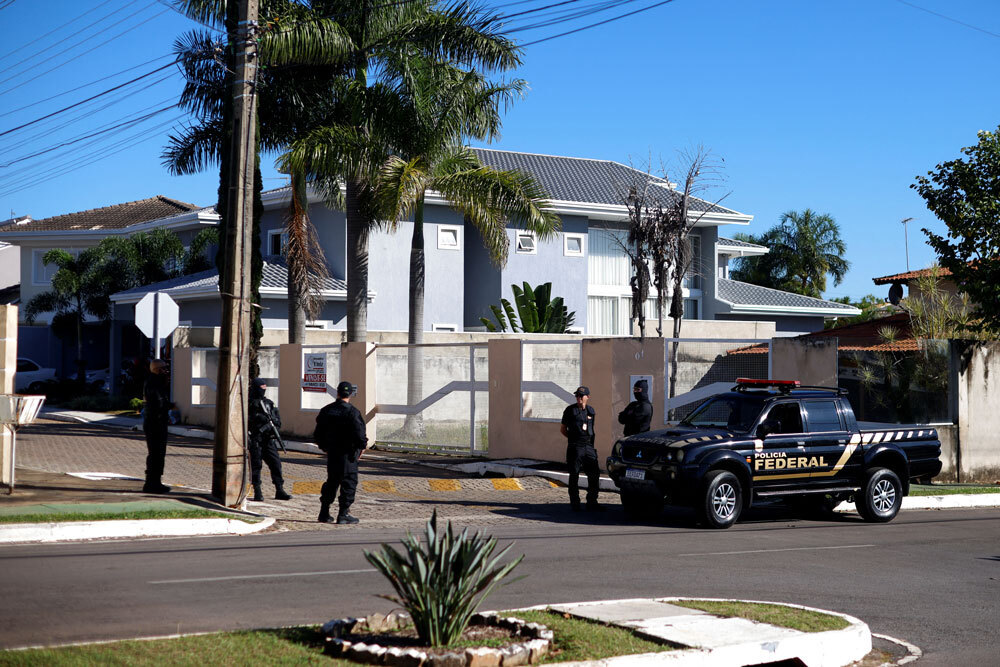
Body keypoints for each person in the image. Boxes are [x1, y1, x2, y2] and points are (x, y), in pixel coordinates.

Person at [314, 381, 367, 525]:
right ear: (350, 394)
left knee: (332, 482)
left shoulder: (326, 410)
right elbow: (360, 434)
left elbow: (318, 434)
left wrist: (325, 448)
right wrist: (361, 447)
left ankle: (324, 512)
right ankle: (343, 514)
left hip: (333, 453)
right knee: (348, 483)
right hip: (348, 454)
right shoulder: (353, 412)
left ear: (337, 393)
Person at [248, 378, 291, 502]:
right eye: (261, 388)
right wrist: (259, 420)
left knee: (276, 464)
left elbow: (277, 421)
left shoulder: (269, 403)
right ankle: (258, 491)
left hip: (268, 440)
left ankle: (279, 489)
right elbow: (247, 420)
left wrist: (271, 425)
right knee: (256, 467)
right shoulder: (249, 404)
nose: (263, 391)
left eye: (264, 389)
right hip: (256, 439)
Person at [560, 386, 601, 511]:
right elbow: (563, 430)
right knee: (574, 475)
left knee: (594, 474)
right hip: (575, 446)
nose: (578, 398)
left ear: (587, 397)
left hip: (588, 446)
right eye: (577, 396)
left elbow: (591, 430)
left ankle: (592, 501)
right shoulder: (570, 410)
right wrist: (573, 439)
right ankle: (575, 503)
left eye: (581, 396)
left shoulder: (590, 411)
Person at [142, 359, 171, 494]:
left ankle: (154, 481)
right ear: (157, 370)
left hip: (155, 421)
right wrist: (169, 406)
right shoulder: (155, 383)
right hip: (155, 422)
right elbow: (158, 403)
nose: (166, 371)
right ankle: (152, 483)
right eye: (164, 368)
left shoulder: (154, 382)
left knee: (156, 453)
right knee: (156, 453)